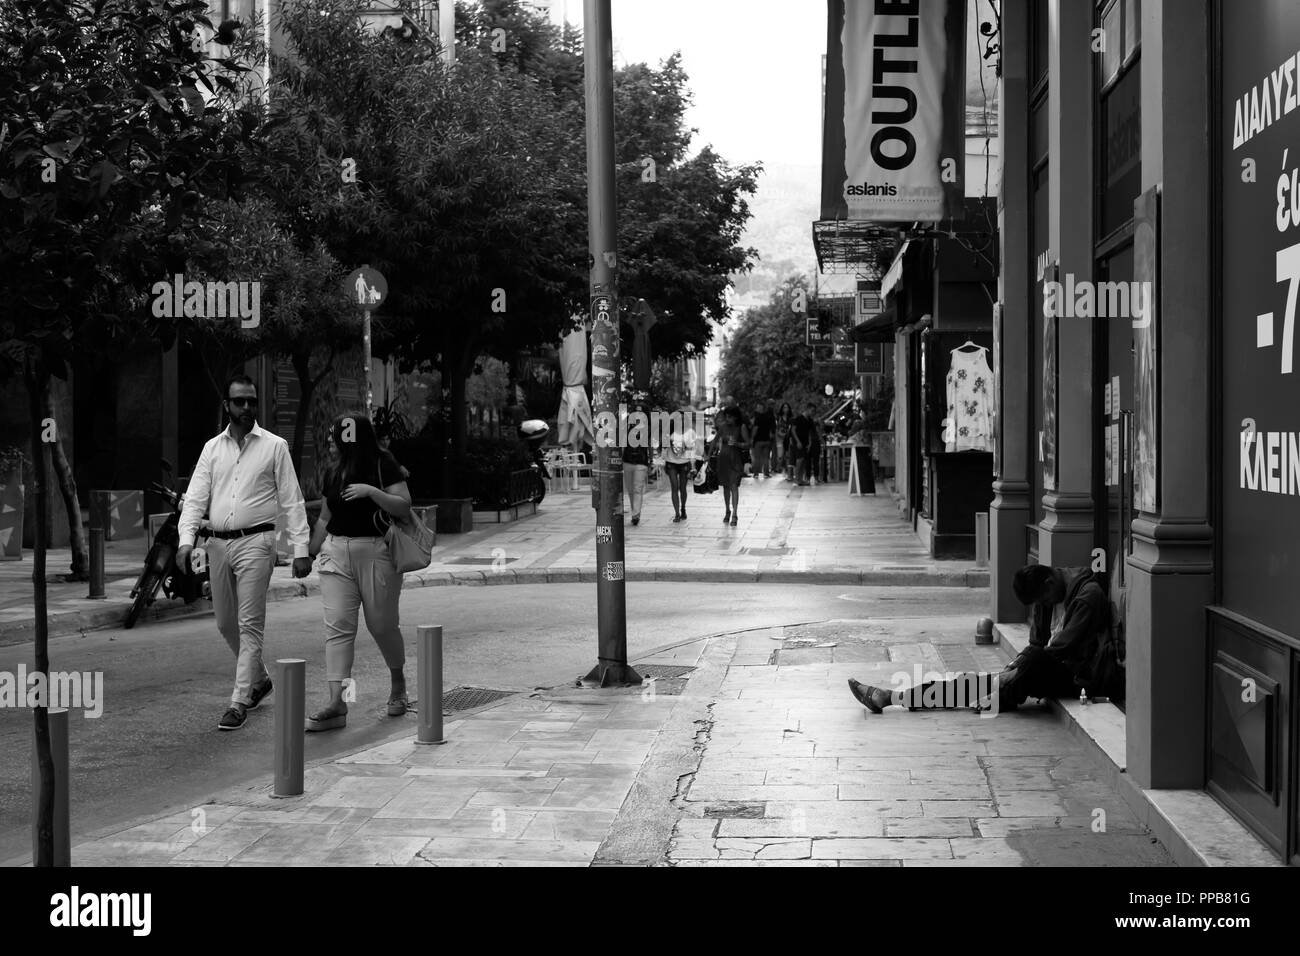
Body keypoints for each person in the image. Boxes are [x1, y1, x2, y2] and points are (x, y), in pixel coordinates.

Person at [177, 374, 313, 731]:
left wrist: (301, 548)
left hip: (257, 542)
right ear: (227, 405)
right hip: (217, 544)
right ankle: (260, 679)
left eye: (252, 401)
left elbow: (292, 499)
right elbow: (195, 498)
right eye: (240, 401)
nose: (247, 407)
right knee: (225, 623)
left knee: (249, 623)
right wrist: (186, 541)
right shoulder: (212, 448)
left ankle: (238, 701)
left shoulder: (275, 446)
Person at [847, 564, 1114, 714]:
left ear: (1049, 584)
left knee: (994, 680)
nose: (1043, 606)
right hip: (1042, 669)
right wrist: (1013, 668)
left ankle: (1000, 696)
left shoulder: (1087, 597)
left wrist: (1014, 674)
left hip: (1079, 679)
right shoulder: (1048, 595)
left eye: (1042, 600)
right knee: (975, 683)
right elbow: (1036, 645)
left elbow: (1058, 651)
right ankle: (891, 697)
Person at [304, 413, 414, 731]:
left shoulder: (383, 463)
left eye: (335, 435)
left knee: (382, 625)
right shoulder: (333, 470)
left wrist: (372, 492)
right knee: (338, 627)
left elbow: (404, 505)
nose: (330, 440)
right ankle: (337, 703)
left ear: (351, 437)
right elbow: (325, 517)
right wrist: (309, 553)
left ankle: (398, 684)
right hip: (336, 553)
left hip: (377, 552)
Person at [707, 406, 749, 526]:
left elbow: (748, 444)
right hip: (723, 460)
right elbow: (715, 441)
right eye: (726, 417)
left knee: (734, 486)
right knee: (726, 487)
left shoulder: (741, 427)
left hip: (735, 460)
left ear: (735, 417)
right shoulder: (723, 427)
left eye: (729, 417)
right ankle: (727, 510)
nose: (727, 419)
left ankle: (735, 513)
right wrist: (708, 455)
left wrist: (737, 444)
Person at [663, 408, 699, 522]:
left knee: (683, 488)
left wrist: (692, 466)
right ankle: (677, 513)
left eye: (683, 419)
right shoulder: (669, 431)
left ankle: (683, 508)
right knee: (674, 487)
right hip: (671, 463)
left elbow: (692, 450)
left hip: (684, 463)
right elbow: (664, 448)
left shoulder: (690, 432)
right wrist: (662, 460)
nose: (681, 421)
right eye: (678, 419)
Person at [622, 402, 650, 526]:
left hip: (641, 462)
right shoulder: (626, 427)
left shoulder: (649, 429)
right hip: (627, 460)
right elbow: (622, 444)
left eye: (641, 412)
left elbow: (651, 446)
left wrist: (651, 461)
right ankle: (635, 511)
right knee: (630, 490)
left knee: (637, 489)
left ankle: (636, 514)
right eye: (636, 411)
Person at [789, 404, 817, 486]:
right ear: (807, 409)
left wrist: (810, 443)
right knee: (799, 460)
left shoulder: (809, 420)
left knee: (803, 461)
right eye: (812, 411)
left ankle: (800, 479)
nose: (813, 413)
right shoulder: (798, 418)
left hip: (805, 442)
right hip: (798, 442)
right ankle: (796, 479)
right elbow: (793, 430)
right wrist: (797, 441)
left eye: (814, 411)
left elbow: (809, 432)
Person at [750, 401, 776, 478]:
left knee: (757, 458)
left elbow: (755, 429)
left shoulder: (757, 418)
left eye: (758, 408)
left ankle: (756, 474)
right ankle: (766, 473)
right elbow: (772, 427)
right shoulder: (768, 417)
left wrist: (752, 438)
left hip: (758, 440)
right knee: (766, 458)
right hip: (767, 440)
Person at [774, 401, 795, 480]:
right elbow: (776, 428)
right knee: (780, 456)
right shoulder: (779, 418)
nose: (786, 409)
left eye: (787, 407)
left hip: (788, 438)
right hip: (780, 438)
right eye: (784, 407)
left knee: (788, 455)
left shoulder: (791, 418)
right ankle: (782, 469)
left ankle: (788, 472)